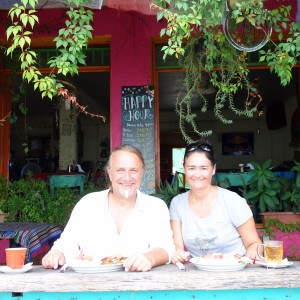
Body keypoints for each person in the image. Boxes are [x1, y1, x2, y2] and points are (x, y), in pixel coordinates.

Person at [42, 144, 174, 272]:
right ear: (109, 173)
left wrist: (149, 258)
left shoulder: (156, 207)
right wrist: (57, 254)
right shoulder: (88, 204)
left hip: (140, 287)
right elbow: (67, 244)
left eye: (133, 171)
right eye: (120, 171)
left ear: (142, 173)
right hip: (92, 286)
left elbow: (166, 248)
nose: (127, 178)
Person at [170, 140, 262, 265]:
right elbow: (177, 246)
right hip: (198, 275)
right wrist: (177, 254)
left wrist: (252, 253)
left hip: (235, 272)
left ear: (213, 169)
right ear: (184, 169)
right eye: (191, 168)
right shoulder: (177, 203)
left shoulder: (233, 201)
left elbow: (254, 243)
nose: (197, 174)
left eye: (204, 168)